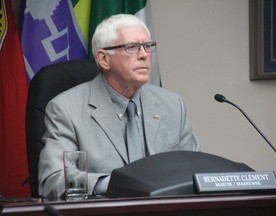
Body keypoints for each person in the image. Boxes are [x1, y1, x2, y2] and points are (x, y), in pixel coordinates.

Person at [38, 14, 200, 198]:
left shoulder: (172, 105)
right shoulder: (65, 109)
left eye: (148, 46)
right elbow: (53, 179)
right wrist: (118, 184)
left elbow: (195, 171)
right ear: (103, 59)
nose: (144, 55)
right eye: (132, 47)